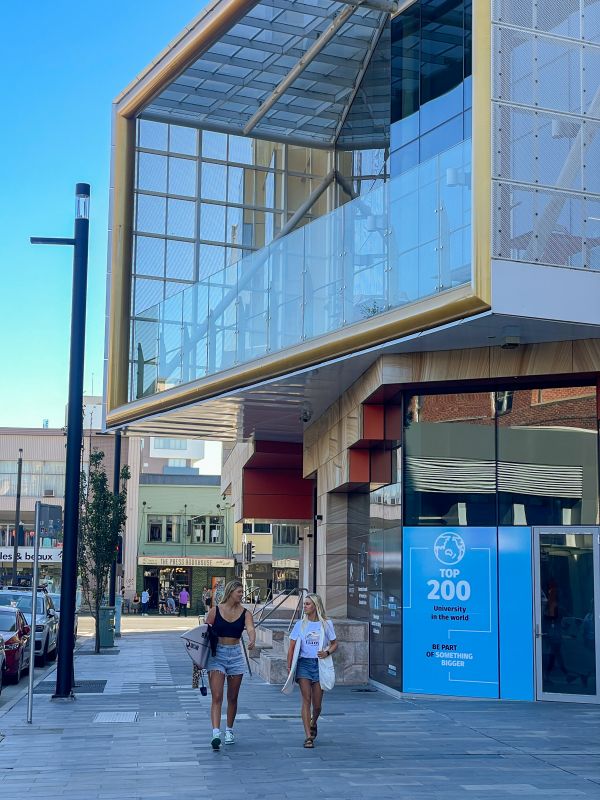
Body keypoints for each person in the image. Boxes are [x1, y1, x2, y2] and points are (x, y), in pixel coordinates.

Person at [205, 579, 255, 750]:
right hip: (217, 654)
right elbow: (203, 632)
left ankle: (229, 730)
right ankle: (215, 733)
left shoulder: (245, 613)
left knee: (232, 697)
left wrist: (252, 639)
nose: (241, 594)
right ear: (231, 592)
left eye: (242, 592)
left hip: (235, 655)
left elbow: (250, 628)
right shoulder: (215, 611)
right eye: (239, 592)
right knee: (217, 696)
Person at [287, 594, 337, 749]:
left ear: (315, 606)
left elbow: (334, 643)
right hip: (303, 664)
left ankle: (313, 721)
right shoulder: (300, 624)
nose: (305, 606)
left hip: (319, 664)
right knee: (306, 699)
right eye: (304, 604)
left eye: (308, 604)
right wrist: (289, 667)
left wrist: (327, 652)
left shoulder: (326, 624)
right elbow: (292, 647)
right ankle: (308, 736)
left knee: (317, 705)